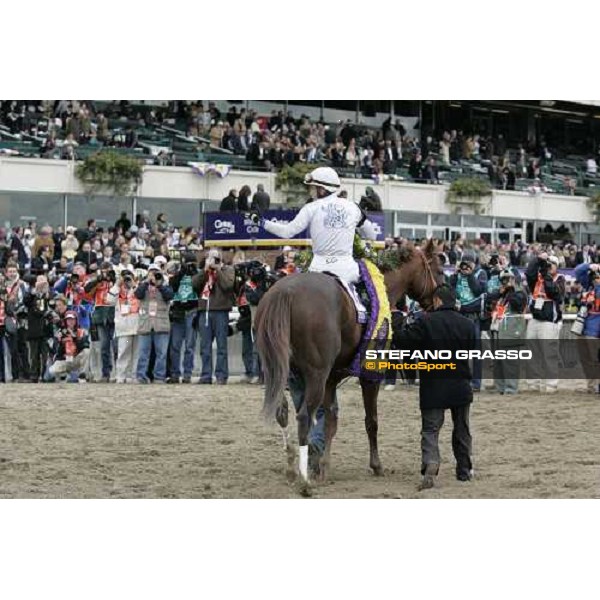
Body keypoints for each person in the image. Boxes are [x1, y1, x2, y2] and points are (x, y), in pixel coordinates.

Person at [396, 285, 477, 490]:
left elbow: (404, 341)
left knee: (431, 429)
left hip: (434, 385)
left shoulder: (426, 322)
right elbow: (472, 353)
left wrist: (397, 323)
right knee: (462, 428)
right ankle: (464, 469)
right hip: (460, 384)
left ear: (438, 301)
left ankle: (431, 463)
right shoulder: (468, 324)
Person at [193, 249, 235, 385]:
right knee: (205, 346)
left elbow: (228, 286)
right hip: (204, 310)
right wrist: (205, 271)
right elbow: (194, 285)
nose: (213, 261)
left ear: (220, 259)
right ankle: (206, 375)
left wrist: (218, 271)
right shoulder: (203, 272)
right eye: (210, 258)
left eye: (216, 258)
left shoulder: (227, 270)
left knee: (222, 346)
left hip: (221, 311)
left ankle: (221, 375)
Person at [525, 253, 565, 393]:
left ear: (556, 267)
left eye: (551, 265)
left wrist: (545, 273)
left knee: (549, 353)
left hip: (549, 321)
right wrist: (538, 260)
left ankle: (551, 384)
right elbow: (529, 273)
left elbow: (553, 292)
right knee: (531, 352)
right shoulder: (537, 279)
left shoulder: (560, 279)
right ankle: (533, 383)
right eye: (546, 264)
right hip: (535, 318)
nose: (548, 267)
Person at [134, 264, 174, 384]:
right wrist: (147, 282)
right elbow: (138, 294)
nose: (153, 275)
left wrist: (159, 284)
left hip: (161, 323)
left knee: (161, 353)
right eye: (151, 272)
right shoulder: (143, 285)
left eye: (156, 272)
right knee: (143, 353)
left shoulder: (166, 285)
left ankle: (159, 376)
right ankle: (141, 376)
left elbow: (169, 296)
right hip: (146, 323)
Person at [490, 269, 528, 395]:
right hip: (498, 329)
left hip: (511, 331)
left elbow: (518, 304)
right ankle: (500, 387)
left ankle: (511, 388)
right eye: (504, 279)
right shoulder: (503, 295)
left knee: (510, 362)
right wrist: (502, 292)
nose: (506, 282)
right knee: (498, 362)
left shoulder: (520, 292)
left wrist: (511, 290)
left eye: (509, 278)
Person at [168, 253, 202, 384]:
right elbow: (173, 287)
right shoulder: (177, 274)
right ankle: (175, 374)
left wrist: (193, 274)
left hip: (192, 311)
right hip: (178, 312)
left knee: (189, 345)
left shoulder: (198, 274)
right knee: (175, 345)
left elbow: (200, 288)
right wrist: (182, 272)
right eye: (188, 264)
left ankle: (187, 374)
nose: (190, 266)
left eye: (192, 264)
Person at [84, 262, 117, 382]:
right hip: (100, 315)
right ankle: (105, 373)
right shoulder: (97, 281)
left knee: (116, 346)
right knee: (104, 346)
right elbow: (86, 290)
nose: (106, 273)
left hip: (114, 314)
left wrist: (114, 278)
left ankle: (118, 372)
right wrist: (99, 279)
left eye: (108, 270)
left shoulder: (116, 280)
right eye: (104, 270)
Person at [107, 269, 140, 384]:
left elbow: (141, 296)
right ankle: (120, 376)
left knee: (136, 353)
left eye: (129, 277)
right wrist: (117, 284)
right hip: (123, 328)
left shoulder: (136, 288)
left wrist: (133, 285)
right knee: (123, 353)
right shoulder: (117, 290)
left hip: (137, 326)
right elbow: (109, 300)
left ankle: (133, 376)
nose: (126, 280)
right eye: (124, 278)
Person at [573, 262, 600, 394]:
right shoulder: (588, 285)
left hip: (595, 328)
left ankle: (597, 385)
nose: (596, 277)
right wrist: (590, 266)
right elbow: (577, 271)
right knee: (585, 358)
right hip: (583, 326)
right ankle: (591, 385)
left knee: (595, 358)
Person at [48, 311, 90, 383]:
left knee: (87, 351)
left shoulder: (81, 332)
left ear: (76, 320)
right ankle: (64, 375)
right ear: (65, 321)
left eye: (72, 319)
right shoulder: (60, 333)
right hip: (64, 360)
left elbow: (85, 345)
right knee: (51, 371)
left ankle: (82, 375)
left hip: (75, 360)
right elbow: (55, 351)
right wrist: (60, 342)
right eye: (68, 319)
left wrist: (75, 338)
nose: (70, 321)